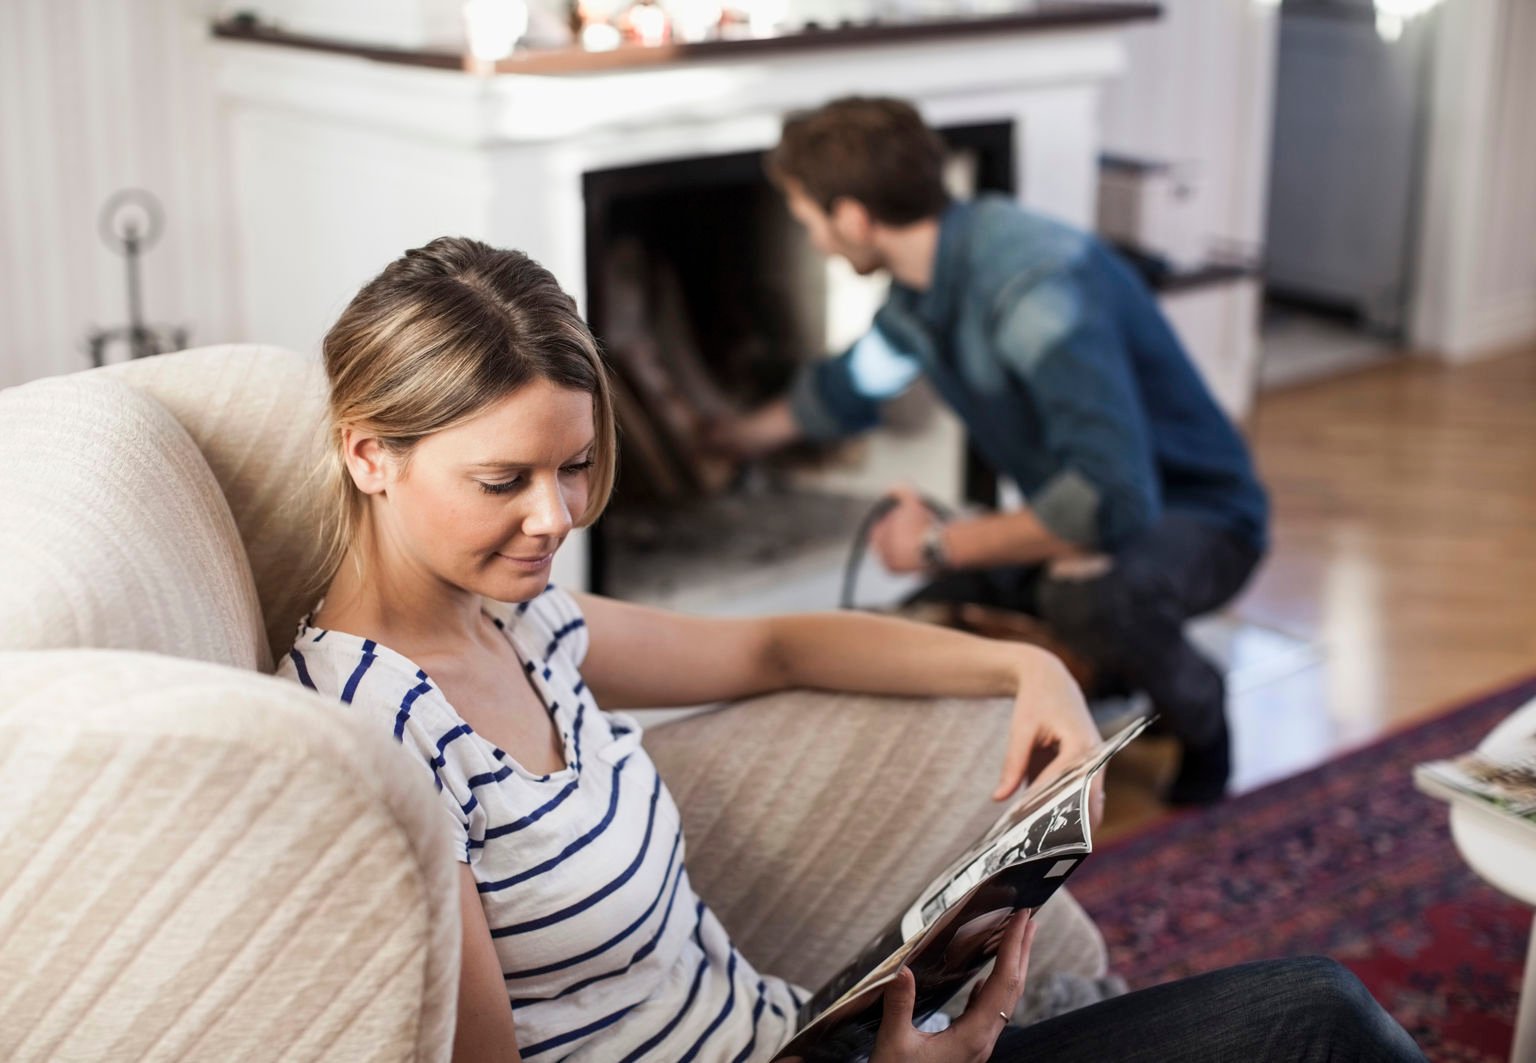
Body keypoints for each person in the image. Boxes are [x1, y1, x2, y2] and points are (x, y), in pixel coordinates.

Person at [277, 237, 1422, 1062]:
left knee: (1309, 1017)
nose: (557, 514)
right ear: (370, 455)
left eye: (573, 465)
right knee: (1308, 1020)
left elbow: (774, 645)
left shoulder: (522, 620)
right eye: (503, 480)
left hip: (806, 1033)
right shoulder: (377, 737)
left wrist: (1030, 668)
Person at [712, 97, 1271, 806]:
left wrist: (942, 541)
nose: (815, 240)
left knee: (1087, 594)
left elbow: (1110, 499)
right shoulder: (925, 288)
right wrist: (732, 437)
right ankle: (1116, 672)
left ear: (853, 217)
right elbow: (852, 383)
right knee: (927, 611)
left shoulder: (1033, 292)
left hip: (1201, 518)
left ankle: (1200, 712)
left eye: (808, 221)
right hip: (1094, 514)